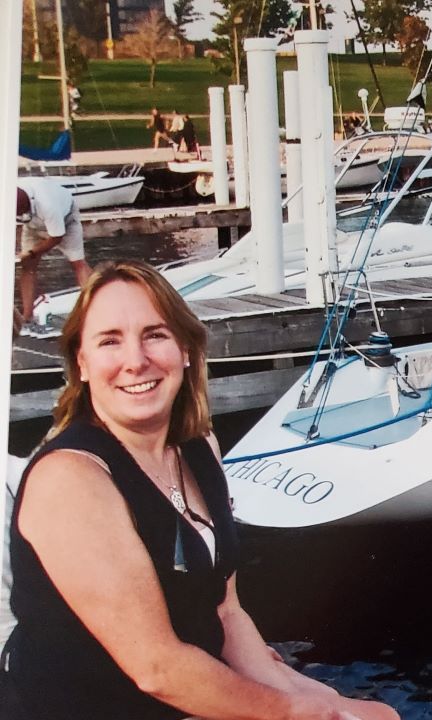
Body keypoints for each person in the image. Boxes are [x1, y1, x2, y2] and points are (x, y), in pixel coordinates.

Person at [0, 261, 399, 720]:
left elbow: (225, 612)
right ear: (83, 364)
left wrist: (325, 705)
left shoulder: (198, 448)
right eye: (110, 340)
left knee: (378, 715)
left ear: (186, 349)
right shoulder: (72, 480)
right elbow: (157, 669)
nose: (136, 360)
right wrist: (294, 712)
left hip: (181, 695)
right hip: (89, 708)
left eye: (155, 334)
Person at [15, 177, 93, 333]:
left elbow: (56, 237)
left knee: (77, 263)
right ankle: (27, 318)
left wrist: (30, 253)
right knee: (27, 267)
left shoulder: (48, 205)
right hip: (33, 224)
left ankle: (92, 314)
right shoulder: (10, 193)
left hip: (65, 220)